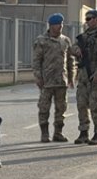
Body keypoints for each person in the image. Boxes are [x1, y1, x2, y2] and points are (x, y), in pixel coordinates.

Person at [70, 9, 97, 145]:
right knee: (81, 104)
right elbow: (73, 47)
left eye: (90, 19)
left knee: (95, 105)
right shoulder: (84, 36)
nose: (87, 21)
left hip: (96, 76)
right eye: (87, 19)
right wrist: (75, 50)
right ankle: (83, 132)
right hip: (83, 76)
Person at [32, 13, 76, 143]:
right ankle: (44, 134)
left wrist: (71, 77)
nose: (60, 27)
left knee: (61, 109)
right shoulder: (41, 41)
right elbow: (36, 61)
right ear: (51, 26)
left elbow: (70, 61)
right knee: (44, 108)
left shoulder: (66, 41)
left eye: (61, 25)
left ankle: (58, 133)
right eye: (58, 25)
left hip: (61, 81)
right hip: (47, 81)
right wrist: (38, 77)